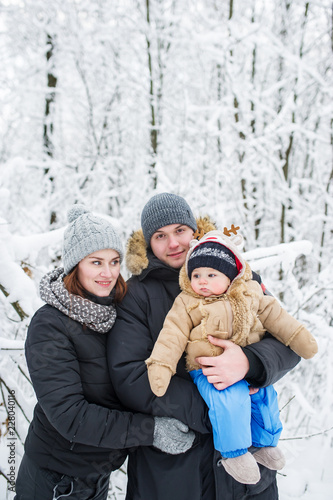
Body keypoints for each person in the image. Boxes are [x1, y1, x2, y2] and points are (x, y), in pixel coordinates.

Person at [107, 192, 301, 500]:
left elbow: (288, 341)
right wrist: (219, 407)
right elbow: (129, 377)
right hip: (174, 475)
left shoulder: (239, 278)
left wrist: (250, 364)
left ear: (195, 231)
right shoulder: (136, 296)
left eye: (180, 231)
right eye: (160, 235)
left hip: (249, 473)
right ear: (147, 243)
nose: (173, 244)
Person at [14, 204, 195, 500]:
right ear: (75, 266)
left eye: (114, 262)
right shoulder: (50, 324)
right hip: (55, 480)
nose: (108, 273)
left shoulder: (112, 314)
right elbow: (70, 415)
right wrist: (150, 430)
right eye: (96, 262)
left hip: (96, 476)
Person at [146, 229, 318, 485]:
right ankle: (234, 453)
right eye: (196, 275)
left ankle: (264, 444)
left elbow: (277, 318)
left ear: (230, 276)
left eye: (211, 275)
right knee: (229, 399)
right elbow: (172, 334)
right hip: (207, 369)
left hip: (248, 370)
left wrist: (297, 339)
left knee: (265, 397)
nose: (202, 281)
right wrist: (161, 365)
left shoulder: (251, 291)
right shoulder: (188, 301)